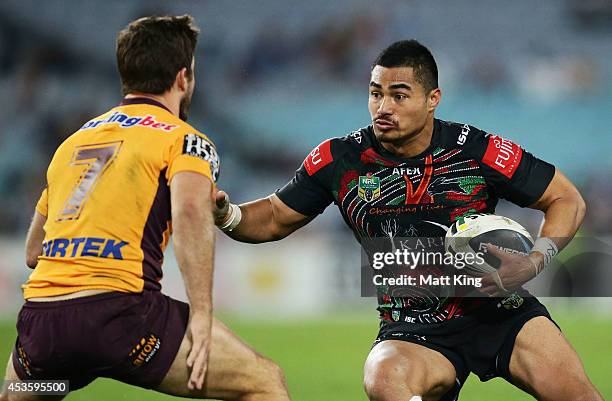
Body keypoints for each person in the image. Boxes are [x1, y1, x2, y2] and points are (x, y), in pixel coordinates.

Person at [213, 40, 603, 401]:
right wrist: (226, 214)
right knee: (384, 380)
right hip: (413, 329)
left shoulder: (476, 150)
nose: (384, 107)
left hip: (500, 311)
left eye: (399, 96)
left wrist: (534, 261)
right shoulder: (339, 160)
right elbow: (275, 217)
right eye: (375, 93)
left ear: (433, 99)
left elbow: (567, 198)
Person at [0, 15, 289, 401]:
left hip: (42, 327)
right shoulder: (186, 140)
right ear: (183, 78)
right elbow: (189, 213)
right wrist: (201, 313)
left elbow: (34, 251)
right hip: (124, 317)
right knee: (264, 382)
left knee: (16, 394)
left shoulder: (74, 143)